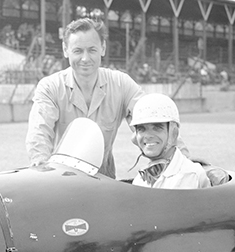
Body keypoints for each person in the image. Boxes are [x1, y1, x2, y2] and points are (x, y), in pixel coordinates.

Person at [27, 18, 173, 178]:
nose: (85, 58)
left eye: (92, 50)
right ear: (65, 50)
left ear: (103, 48)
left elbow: (152, 119)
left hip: (105, 182)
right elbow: (39, 134)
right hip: (63, 183)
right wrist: (42, 170)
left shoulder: (121, 84)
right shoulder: (49, 87)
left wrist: (182, 163)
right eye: (77, 51)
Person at [130, 93, 210, 190]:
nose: (148, 136)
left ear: (173, 132)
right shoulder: (140, 180)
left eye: (157, 128)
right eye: (141, 129)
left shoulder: (191, 175)